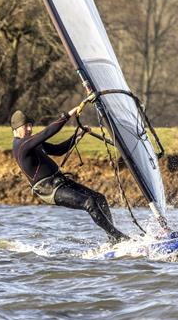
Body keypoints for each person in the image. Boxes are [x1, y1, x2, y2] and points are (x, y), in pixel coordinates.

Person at [11, 102, 129, 243]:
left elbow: (59, 150)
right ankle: (119, 237)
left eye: (30, 125)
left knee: (99, 198)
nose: (29, 129)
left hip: (60, 181)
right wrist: (66, 116)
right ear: (15, 130)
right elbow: (47, 132)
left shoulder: (31, 143)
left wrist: (78, 135)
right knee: (89, 202)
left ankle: (112, 238)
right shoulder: (21, 146)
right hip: (49, 190)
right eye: (25, 126)